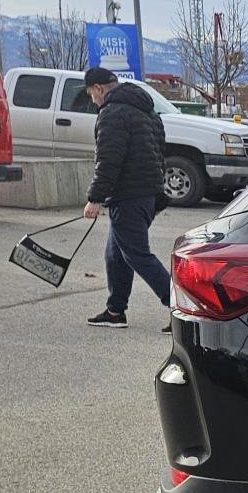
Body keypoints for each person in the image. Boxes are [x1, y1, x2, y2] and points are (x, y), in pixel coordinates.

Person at [79, 67, 174, 331]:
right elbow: (160, 151)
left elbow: (109, 160)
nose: (93, 100)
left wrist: (95, 198)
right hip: (146, 193)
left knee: (137, 255)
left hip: (129, 195)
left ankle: (181, 308)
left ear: (98, 88)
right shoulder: (147, 111)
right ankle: (115, 311)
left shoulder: (112, 113)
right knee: (115, 254)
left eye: (91, 94)